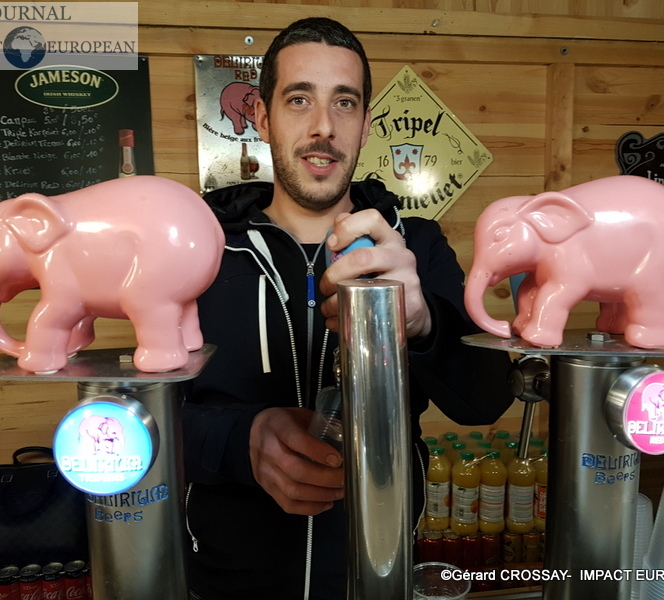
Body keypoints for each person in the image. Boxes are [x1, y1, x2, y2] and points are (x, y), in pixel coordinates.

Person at [183, 17, 513, 600]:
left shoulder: (417, 244)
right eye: (299, 99)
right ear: (261, 115)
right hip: (225, 583)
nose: (323, 127)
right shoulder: (198, 247)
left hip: (379, 574)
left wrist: (423, 323)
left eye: (345, 103)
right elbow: (148, 426)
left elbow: (486, 400)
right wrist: (242, 441)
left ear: (365, 125)